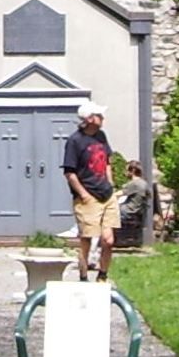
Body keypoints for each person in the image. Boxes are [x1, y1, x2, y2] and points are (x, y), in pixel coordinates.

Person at [63, 101, 119, 280]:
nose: (103, 118)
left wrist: (110, 183)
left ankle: (102, 275)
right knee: (87, 239)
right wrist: (84, 194)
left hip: (106, 194)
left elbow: (107, 161)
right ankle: (83, 276)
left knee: (108, 240)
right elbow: (70, 173)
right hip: (88, 196)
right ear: (89, 119)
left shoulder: (101, 136)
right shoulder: (75, 141)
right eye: (99, 115)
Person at [118, 161, 156, 236]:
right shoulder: (144, 183)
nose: (125, 172)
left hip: (127, 212)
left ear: (133, 170)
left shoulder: (133, 183)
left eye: (126, 170)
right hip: (138, 212)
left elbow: (118, 194)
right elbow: (149, 195)